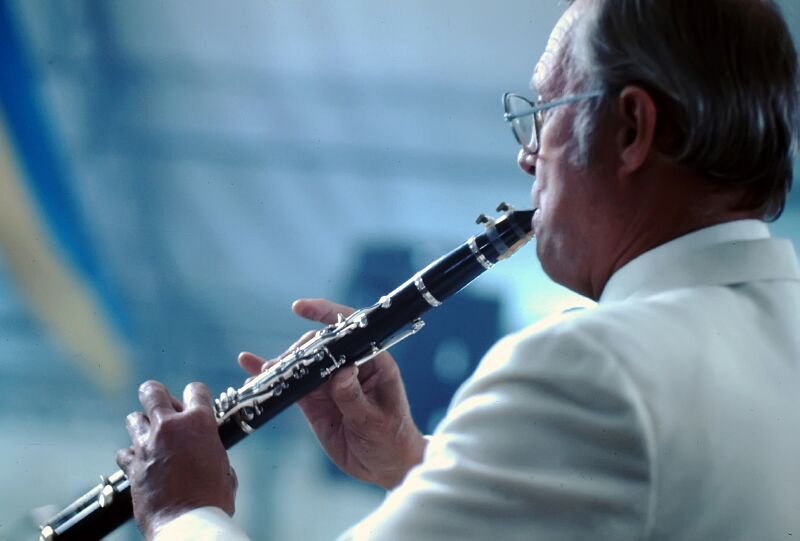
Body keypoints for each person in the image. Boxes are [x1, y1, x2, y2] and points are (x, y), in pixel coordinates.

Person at [116, 0, 800, 538]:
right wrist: (413, 463)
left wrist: (182, 508)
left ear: (630, 129)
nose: (526, 158)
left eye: (542, 114)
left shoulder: (591, 367)